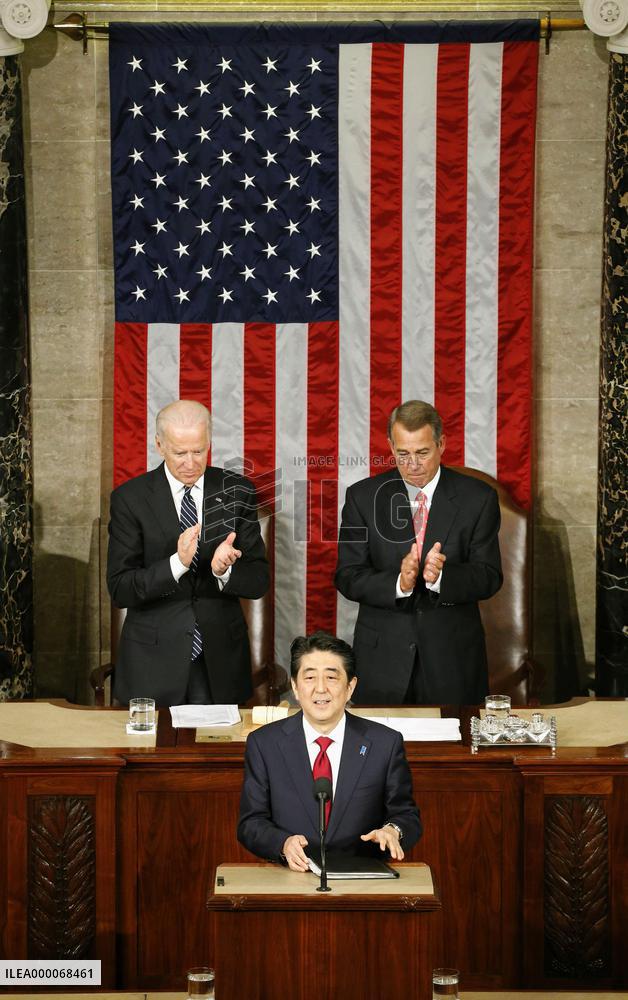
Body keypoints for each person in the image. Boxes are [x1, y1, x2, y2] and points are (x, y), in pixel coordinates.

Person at [335, 400, 502, 705]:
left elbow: (489, 576)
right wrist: (399, 583)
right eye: (403, 454)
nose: (412, 465)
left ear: (441, 444)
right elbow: (348, 576)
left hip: (452, 661)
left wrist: (441, 577)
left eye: (422, 453)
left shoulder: (478, 498)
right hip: (382, 659)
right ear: (390, 445)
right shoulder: (362, 497)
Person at [107, 399, 269, 706]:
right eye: (180, 452)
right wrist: (176, 564)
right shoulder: (129, 499)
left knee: (219, 752)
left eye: (198, 451)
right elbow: (120, 589)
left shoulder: (237, 491)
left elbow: (259, 580)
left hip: (220, 660)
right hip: (152, 663)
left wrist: (225, 571)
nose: (190, 462)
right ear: (159, 445)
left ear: (209, 443)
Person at [237, 631, 421, 870]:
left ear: (350, 687)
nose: (320, 689)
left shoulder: (384, 743)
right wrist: (282, 843)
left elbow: (407, 816)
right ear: (295, 686)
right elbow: (251, 822)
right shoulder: (264, 744)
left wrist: (393, 831)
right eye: (310, 677)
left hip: (363, 879)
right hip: (291, 879)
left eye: (332, 678)